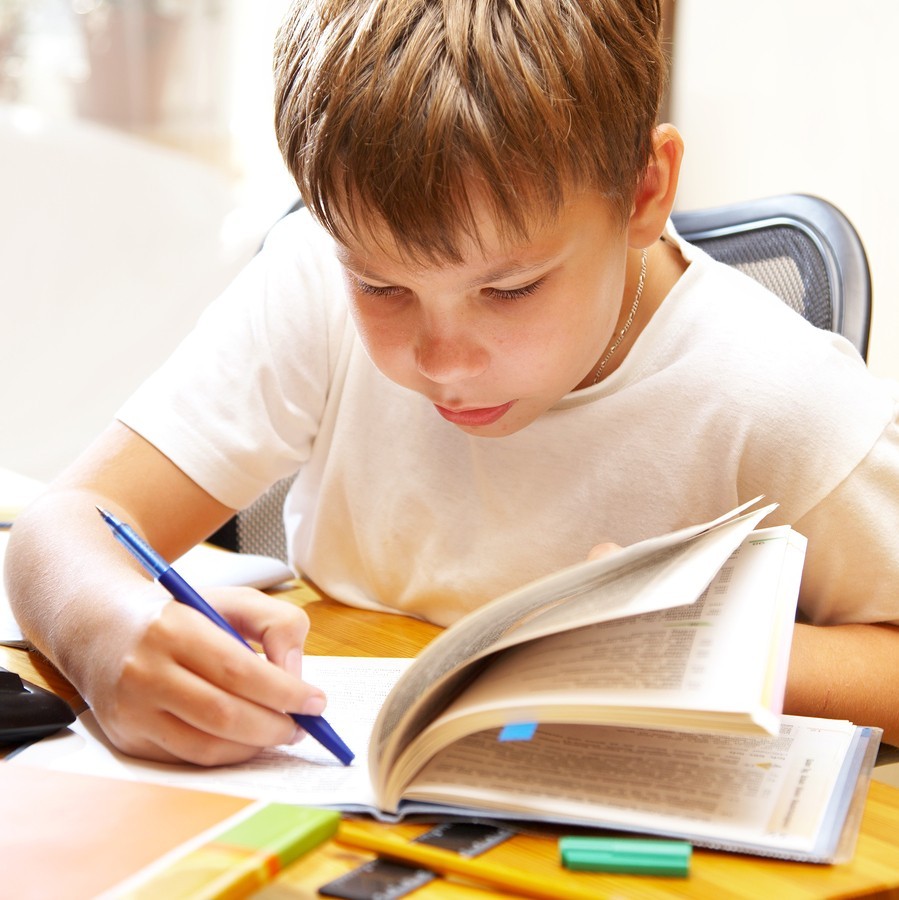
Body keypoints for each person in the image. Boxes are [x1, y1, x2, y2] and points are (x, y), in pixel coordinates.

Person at [7, 0, 899, 767]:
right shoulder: (312, 282)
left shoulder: (781, 396)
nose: (443, 359)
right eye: (383, 287)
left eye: (509, 290)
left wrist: (708, 643)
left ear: (643, 189)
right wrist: (107, 632)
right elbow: (66, 524)